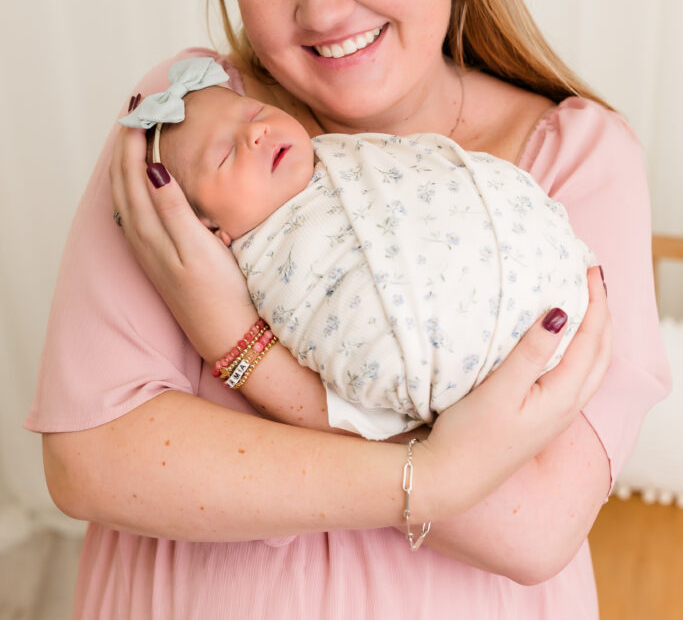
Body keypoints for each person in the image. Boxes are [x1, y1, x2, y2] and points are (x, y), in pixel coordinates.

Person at [27, 0, 669, 619]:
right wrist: (434, 474)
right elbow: (95, 461)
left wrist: (242, 345)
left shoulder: (578, 157)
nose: (321, 7)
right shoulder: (186, 127)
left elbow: (532, 528)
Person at [120, 56, 594, 439]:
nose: (255, 133)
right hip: (427, 352)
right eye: (224, 156)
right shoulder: (262, 258)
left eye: (254, 113)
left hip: (524, 281)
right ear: (206, 228)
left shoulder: (344, 155)